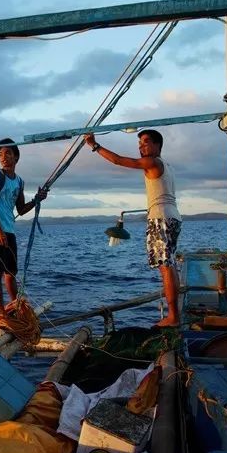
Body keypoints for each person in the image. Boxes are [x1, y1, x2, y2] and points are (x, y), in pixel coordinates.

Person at [84, 130, 182, 327]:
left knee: (165, 267)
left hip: (161, 219)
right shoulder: (168, 166)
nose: (141, 146)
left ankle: (173, 317)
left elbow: (119, 160)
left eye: (146, 142)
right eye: (139, 142)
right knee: (169, 266)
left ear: (157, 145)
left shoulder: (153, 162)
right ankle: (174, 314)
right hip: (172, 217)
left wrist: (94, 146)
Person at [0, 138, 48, 314]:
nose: (3, 157)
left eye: (7, 153)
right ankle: (1, 313)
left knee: (10, 272)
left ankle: (16, 308)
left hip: (9, 230)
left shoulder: (19, 182)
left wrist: (36, 200)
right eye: (0, 154)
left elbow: (21, 209)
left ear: (16, 157)